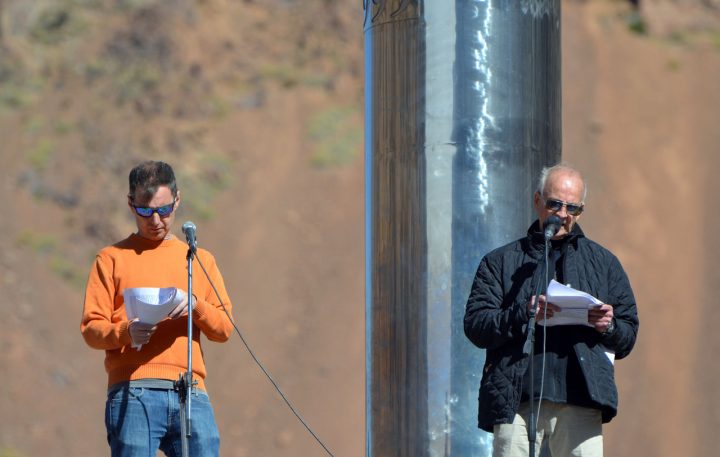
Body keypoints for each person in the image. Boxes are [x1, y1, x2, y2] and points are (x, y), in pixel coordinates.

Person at [464, 164, 639, 457]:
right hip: (517, 403)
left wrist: (607, 325)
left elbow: (628, 333)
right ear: (537, 201)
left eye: (573, 208)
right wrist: (523, 313)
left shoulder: (604, 263)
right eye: (554, 203)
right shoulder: (501, 262)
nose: (562, 214)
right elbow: (476, 324)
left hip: (581, 400)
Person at [81, 160, 234, 457]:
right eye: (145, 211)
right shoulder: (111, 259)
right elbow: (91, 329)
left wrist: (194, 306)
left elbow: (225, 328)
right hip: (132, 391)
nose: (155, 220)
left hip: (190, 392)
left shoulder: (198, 260)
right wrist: (127, 331)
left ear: (177, 200)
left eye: (163, 210)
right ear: (130, 204)